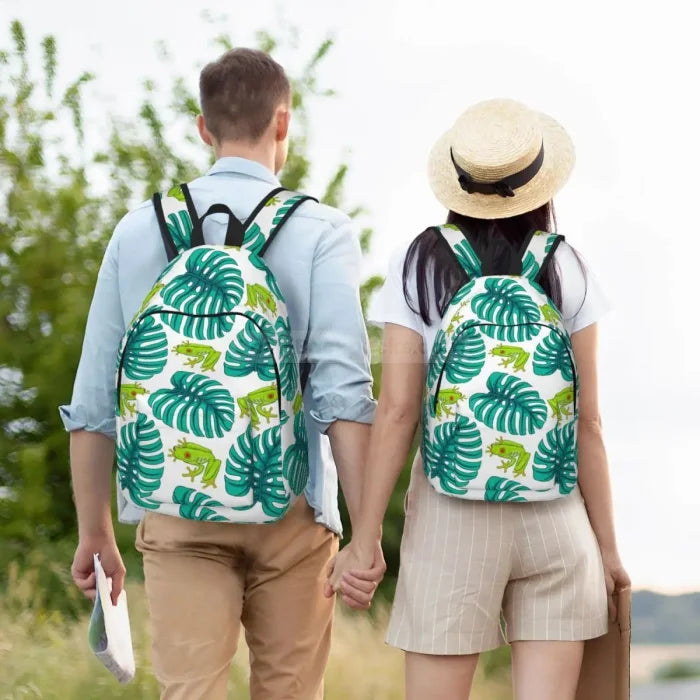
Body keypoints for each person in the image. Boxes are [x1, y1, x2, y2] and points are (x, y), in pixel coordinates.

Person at [61, 47, 384, 700]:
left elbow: (95, 399)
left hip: (175, 505)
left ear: (203, 128)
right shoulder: (321, 230)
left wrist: (95, 532)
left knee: (190, 692)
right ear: (283, 124)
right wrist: (366, 533)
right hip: (293, 509)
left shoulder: (137, 231)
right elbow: (343, 393)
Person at [328, 98, 631, 700]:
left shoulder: (419, 263)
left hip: (451, 516)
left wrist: (363, 539)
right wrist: (608, 550)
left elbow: (396, 411)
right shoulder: (567, 265)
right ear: (540, 184)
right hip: (556, 516)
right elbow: (589, 422)